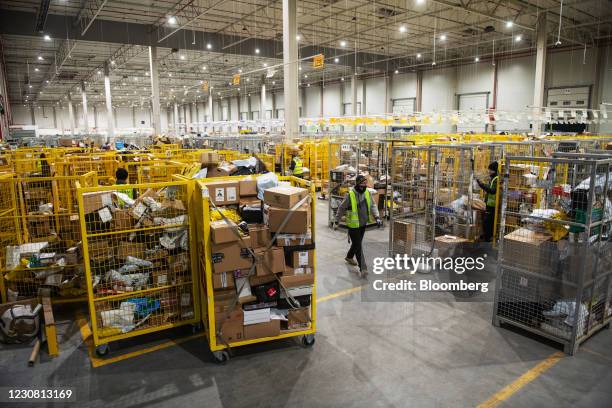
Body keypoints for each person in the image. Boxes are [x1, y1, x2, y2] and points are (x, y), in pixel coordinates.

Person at [334, 175, 382, 277]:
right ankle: (363, 268)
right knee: (358, 245)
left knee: (356, 244)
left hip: (363, 224)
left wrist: (377, 217)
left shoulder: (367, 193)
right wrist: (336, 221)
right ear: (357, 184)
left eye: (365, 183)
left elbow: (373, 205)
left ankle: (349, 257)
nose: (364, 185)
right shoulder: (350, 195)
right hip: (353, 225)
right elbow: (341, 208)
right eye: (362, 183)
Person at [477, 161, 499, 242]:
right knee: (486, 220)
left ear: (495, 170)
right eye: (489, 169)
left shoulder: (496, 179)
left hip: (492, 204)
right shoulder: (493, 178)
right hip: (489, 203)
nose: (489, 171)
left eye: (491, 170)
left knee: (488, 221)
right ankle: (486, 234)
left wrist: (481, 185)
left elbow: (492, 190)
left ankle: (488, 237)